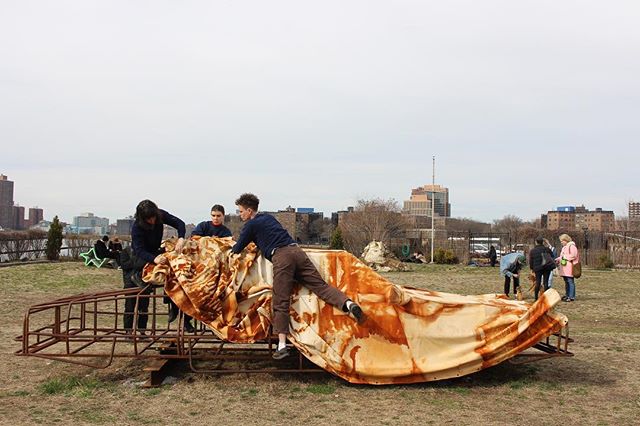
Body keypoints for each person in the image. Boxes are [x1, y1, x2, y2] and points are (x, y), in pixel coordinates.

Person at [230, 193, 364, 360]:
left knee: (281, 300)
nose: (239, 214)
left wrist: (231, 251)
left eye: (240, 211)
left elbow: (238, 247)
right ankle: (348, 304)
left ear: (249, 211)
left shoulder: (251, 225)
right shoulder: (269, 219)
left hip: (282, 257)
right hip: (297, 252)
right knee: (321, 287)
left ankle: (281, 345)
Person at [129, 199, 195, 332]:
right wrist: (154, 259)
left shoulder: (160, 215)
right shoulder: (137, 227)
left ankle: (173, 304)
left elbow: (179, 223)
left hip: (156, 250)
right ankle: (138, 277)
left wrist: (181, 237)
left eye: (154, 218)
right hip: (142, 255)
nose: (152, 221)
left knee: (175, 270)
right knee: (155, 272)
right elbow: (139, 249)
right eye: (149, 219)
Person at [556, 234, 580, 302]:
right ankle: (567, 295)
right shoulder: (564, 248)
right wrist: (558, 259)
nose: (561, 242)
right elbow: (562, 256)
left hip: (570, 267)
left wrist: (564, 257)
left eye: (562, 241)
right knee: (566, 281)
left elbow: (573, 255)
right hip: (564, 267)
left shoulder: (572, 246)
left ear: (566, 240)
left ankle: (571, 296)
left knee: (570, 281)